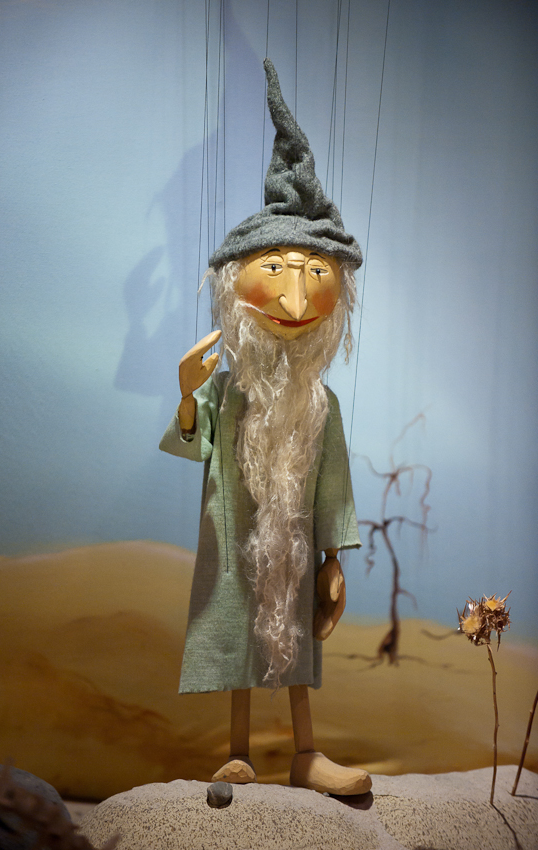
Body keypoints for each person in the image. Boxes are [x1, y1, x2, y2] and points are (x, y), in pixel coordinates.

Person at [160, 59, 371, 796]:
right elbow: (193, 444)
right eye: (276, 267)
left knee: (297, 634)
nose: (296, 294)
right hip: (234, 542)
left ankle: (306, 752)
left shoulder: (321, 404)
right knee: (238, 627)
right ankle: (240, 749)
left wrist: (334, 558)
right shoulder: (226, 393)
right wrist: (187, 396)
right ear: (238, 278)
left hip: (295, 546)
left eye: (314, 270)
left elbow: (333, 483)